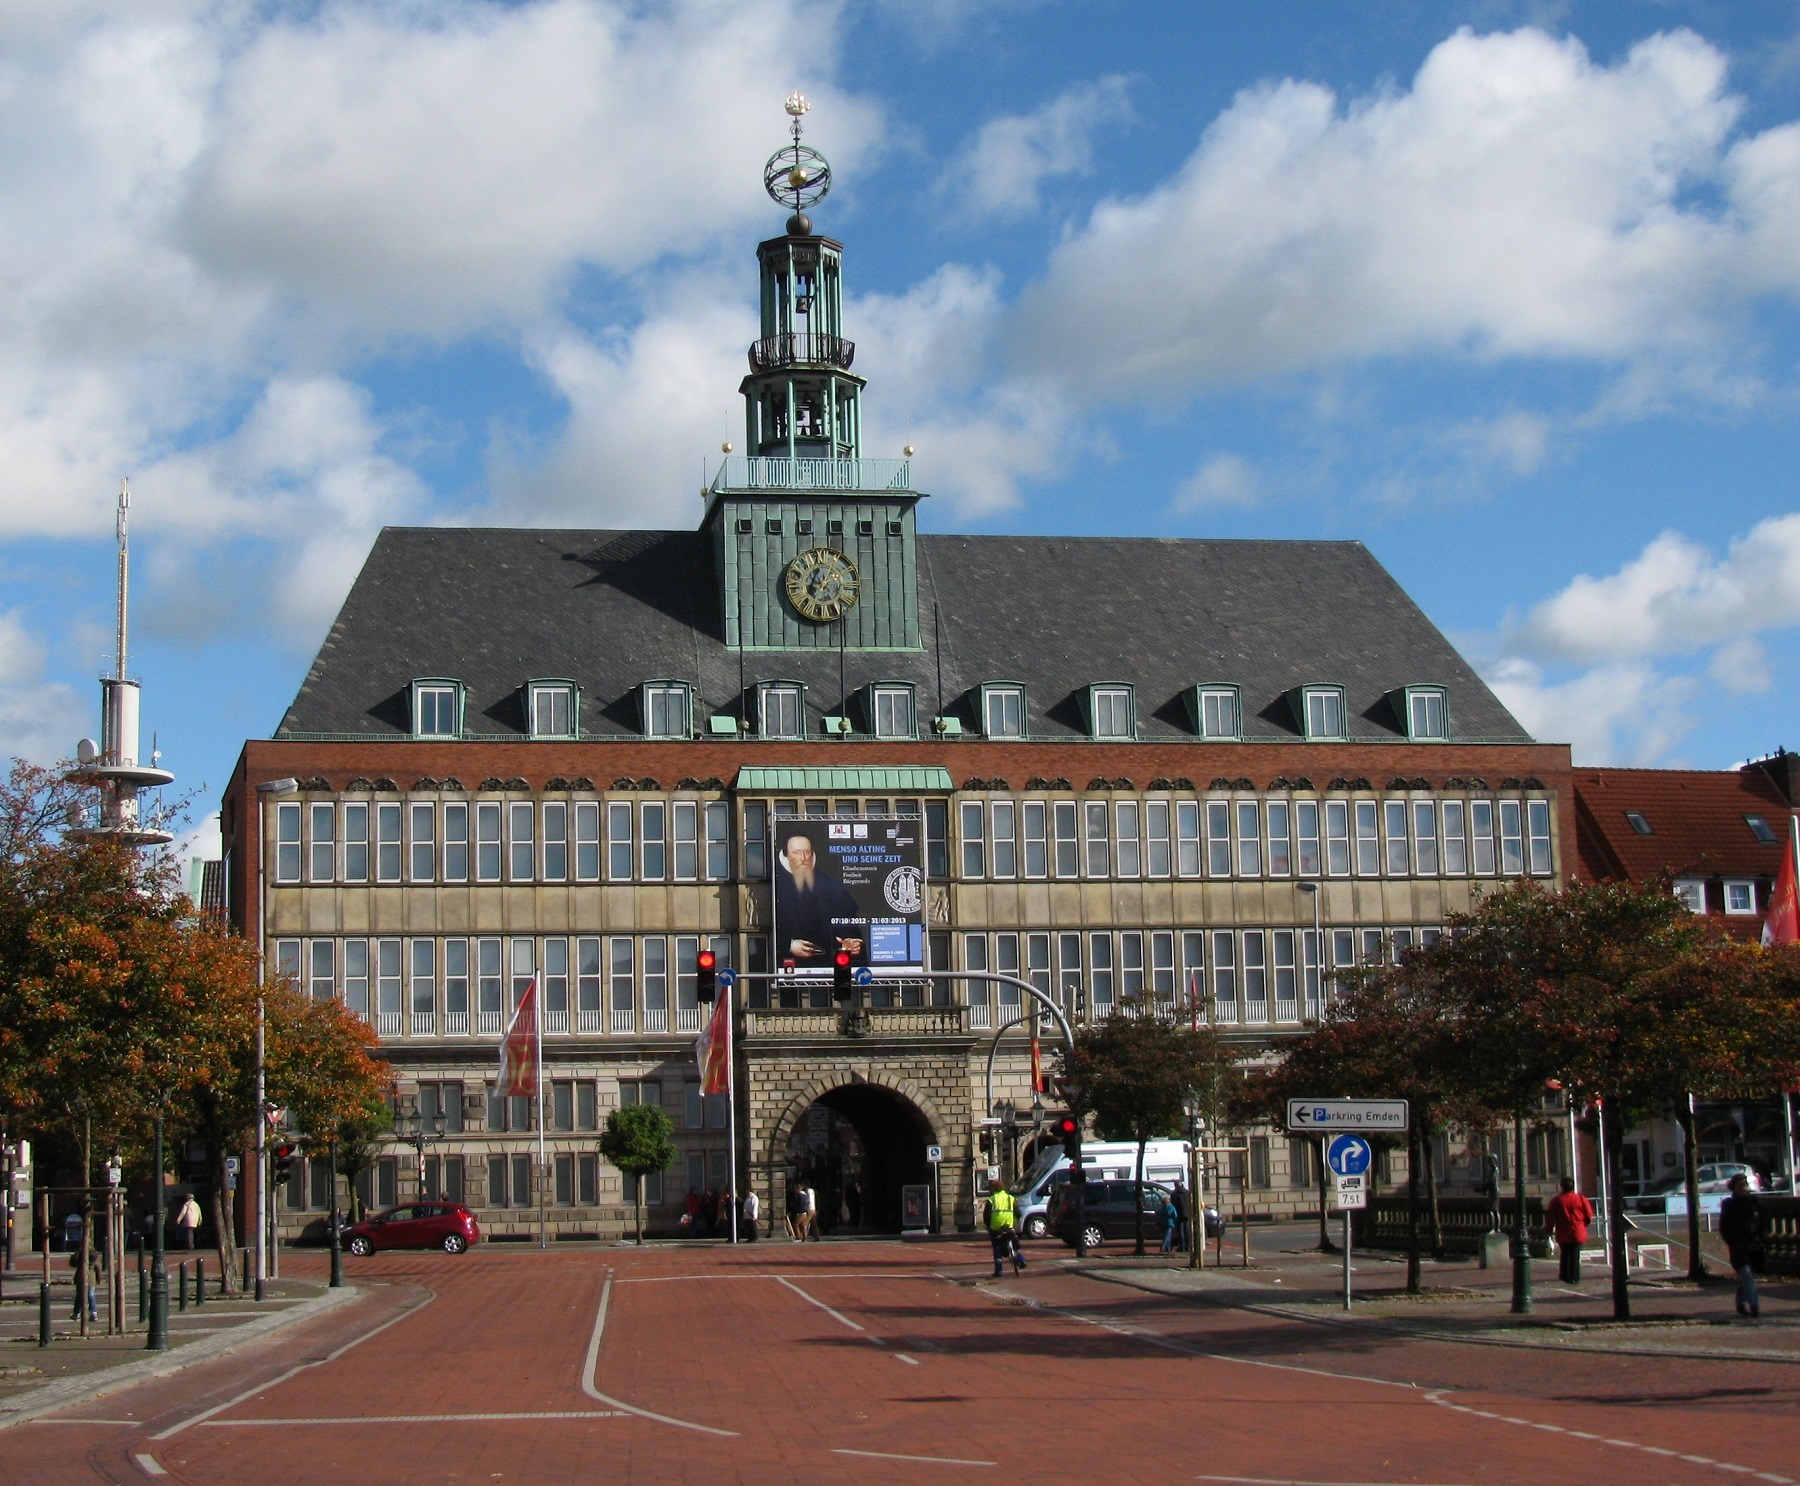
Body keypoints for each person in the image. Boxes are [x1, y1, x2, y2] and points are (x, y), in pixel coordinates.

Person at [774, 832, 864, 969]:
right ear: (786, 855)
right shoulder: (774, 884)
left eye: (806, 852)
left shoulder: (831, 885)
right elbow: (762, 928)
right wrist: (788, 945)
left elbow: (849, 922)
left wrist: (849, 942)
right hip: (789, 968)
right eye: (797, 853)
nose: (803, 858)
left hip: (830, 966)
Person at [1721, 1174, 1766, 1319]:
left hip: (1754, 1245)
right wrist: (1733, 1243)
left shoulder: (1754, 1203)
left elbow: (1763, 1223)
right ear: (1733, 1187)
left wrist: (1761, 1239)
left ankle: (1740, 1303)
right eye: (1739, 1185)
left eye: (1744, 1185)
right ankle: (1755, 1306)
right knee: (1746, 1273)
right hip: (1738, 1247)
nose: (1743, 1188)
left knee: (1747, 1277)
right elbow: (1725, 1227)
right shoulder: (1729, 1205)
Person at [1544, 1176, 1595, 1285]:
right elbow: (1589, 1215)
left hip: (1563, 1231)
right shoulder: (1581, 1199)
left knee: (1565, 1253)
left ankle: (1565, 1275)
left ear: (1562, 1187)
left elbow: (1551, 1217)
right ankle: (1574, 1276)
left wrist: (1548, 1230)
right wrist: (1583, 1224)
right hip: (1578, 1230)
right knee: (1575, 1254)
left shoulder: (1556, 1201)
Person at [985, 1185, 1025, 1277]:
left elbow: (986, 1215)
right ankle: (1020, 1258)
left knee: (996, 1247)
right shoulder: (1011, 1198)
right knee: (1015, 1241)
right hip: (1009, 1226)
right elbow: (1018, 1213)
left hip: (996, 1228)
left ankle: (998, 1269)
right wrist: (1017, 1220)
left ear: (993, 1189)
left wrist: (988, 1225)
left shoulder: (992, 1199)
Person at [1171, 1180, 1192, 1253]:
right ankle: (1188, 1245)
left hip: (1178, 1213)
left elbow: (1173, 1204)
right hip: (1186, 1213)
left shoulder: (1174, 1194)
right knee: (1187, 1230)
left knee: (1180, 1230)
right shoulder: (1187, 1192)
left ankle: (1181, 1245)